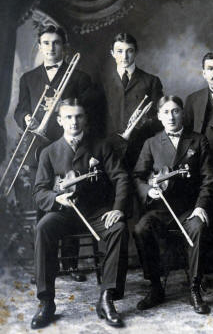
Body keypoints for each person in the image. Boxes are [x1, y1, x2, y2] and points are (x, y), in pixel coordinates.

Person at [31, 98, 130, 329]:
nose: (74, 122)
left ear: (85, 119)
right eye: (68, 117)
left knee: (118, 228)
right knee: (43, 227)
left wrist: (117, 208)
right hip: (64, 213)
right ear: (59, 120)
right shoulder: (49, 152)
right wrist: (57, 198)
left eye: (78, 117)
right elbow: (39, 191)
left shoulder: (102, 146)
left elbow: (121, 177)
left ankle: (107, 298)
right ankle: (46, 302)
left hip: (97, 212)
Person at [14, 24, 98, 282]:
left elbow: (91, 116)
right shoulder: (28, 78)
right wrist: (27, 117)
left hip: (70, 150)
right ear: (40, 46)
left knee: (71, 200)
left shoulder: (81, 78)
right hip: (39, 151)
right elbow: (19, 111)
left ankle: (71, 265)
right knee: (45, 204)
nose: (51, 48)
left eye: (56, 43)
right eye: (46, 43)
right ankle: (45, 267)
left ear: (64, 47)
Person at [133, 96, 213, 314]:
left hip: (189, 208)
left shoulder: (198, 141)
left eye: (176, 111)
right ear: (159, 116)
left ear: (182, 114)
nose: (171, 116)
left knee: (197, 227)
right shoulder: (151, 143)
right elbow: (138, 177)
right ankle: (155, 287)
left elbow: (209, 178)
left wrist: (201, 206)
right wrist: (149, 190)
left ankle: (194, 287)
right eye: (166, 112)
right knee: (141, 228)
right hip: (161, 209)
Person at [102, 32, 164, 168]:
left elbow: (160, 119)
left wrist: (145, 122)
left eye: (129, 51)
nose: (124, 56)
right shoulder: (102, 83)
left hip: (140, 148)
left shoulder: (151, 81)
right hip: (109, 149)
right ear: (112, 53)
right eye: (119, 51)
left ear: (136, 52)